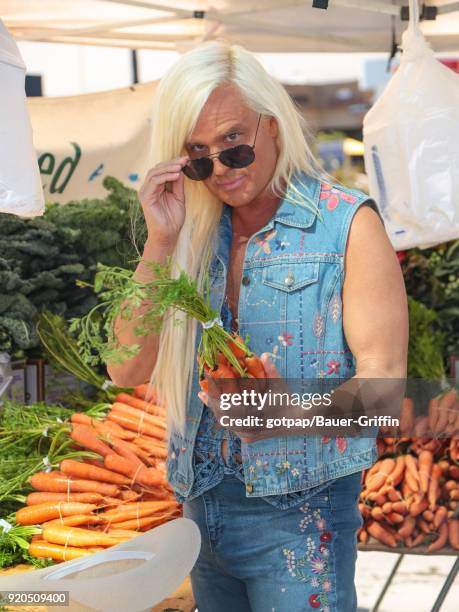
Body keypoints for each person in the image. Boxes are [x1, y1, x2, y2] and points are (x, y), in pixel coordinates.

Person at [108, 41, 408, 612]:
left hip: (299, 520)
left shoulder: (345, 224)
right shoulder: (191, 234)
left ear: (271, 127)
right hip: (199, 514)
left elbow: (385, 388)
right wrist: (161, 239)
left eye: (232, 145)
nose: (219, 170)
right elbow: (125, 367)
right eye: (198, 155)